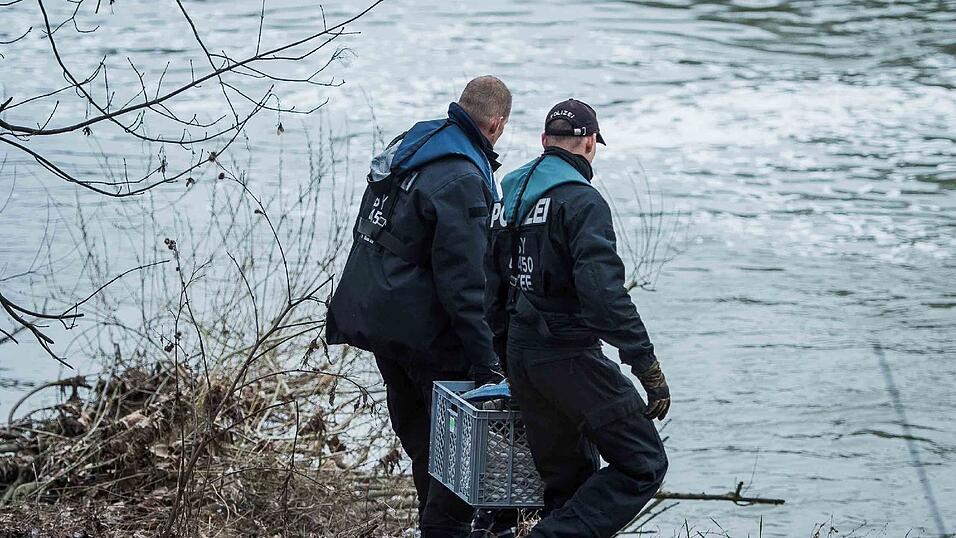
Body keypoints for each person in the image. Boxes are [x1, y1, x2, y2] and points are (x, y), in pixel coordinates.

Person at [326, 76, 512, 538]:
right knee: (456, 465)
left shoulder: (414, 145)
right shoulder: (463, 177)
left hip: (378, 317)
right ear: (497, 125)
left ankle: (434, 526)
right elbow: (464, 285)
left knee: (423, 446)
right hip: (426, 335)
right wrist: (486, 363)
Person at [485, 99, 671, 537]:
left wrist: (506, 359)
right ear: (589, 143)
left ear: (545, 141)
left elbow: (492, 287)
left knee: (569, 482)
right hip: (567, 355)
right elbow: (603, 297)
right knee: (643, 463)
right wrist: (646, 365)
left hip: (522, 355)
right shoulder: (582, 202)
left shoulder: (509, 199)